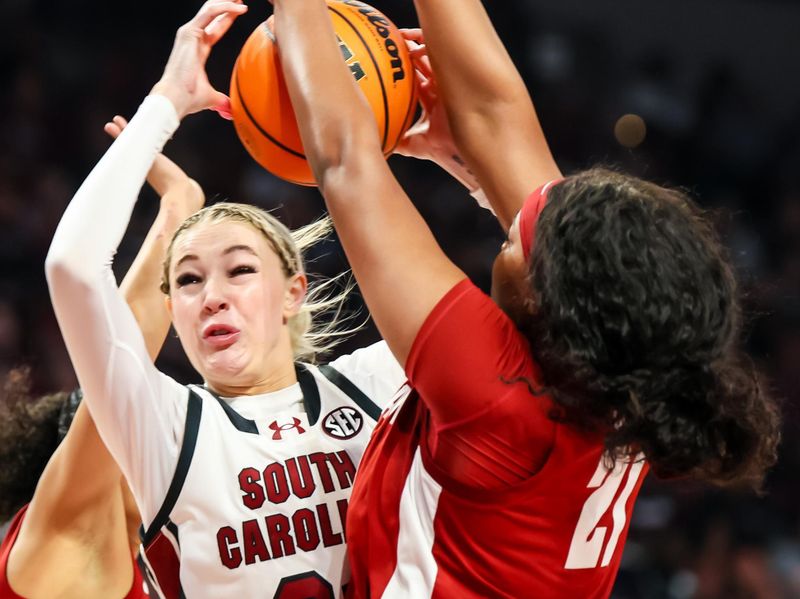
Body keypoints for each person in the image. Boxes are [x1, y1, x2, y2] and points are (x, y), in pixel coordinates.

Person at [267, 0, 782, 597]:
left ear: (544, 302)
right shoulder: (634, 366)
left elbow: (343, 160)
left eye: (514, 235)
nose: (504, 214)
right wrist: (464, 159)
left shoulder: (497, 401)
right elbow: (493, 113)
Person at [45, 2, 406, 597]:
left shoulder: (376, 381)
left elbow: (533, 300)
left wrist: (438, 152)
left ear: (293, 293)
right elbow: (72, 267)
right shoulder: (164, 427)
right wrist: (165, 101)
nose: (211, 296)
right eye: (187, 281)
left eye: (239, 270)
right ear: (172, 311)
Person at [0, 116, 204, 598]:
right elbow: (119, 364)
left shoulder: (134, 556)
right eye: (140, 438)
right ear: (104, 467)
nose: (163, 456)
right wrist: (179, 209)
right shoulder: (76, 536)